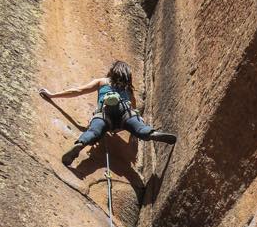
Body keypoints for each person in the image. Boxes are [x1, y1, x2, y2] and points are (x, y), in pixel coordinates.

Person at [39, 60, 176, 167]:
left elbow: (78, 91)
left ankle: (80, 144)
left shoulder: (102, 82)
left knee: (94, 132)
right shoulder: (128, 89)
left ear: (112, 71)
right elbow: (134, 110)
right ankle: (151, 133)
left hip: (104, 113)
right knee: (139, 128)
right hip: (125, 114)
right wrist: (134, 130)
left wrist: (52, 95)